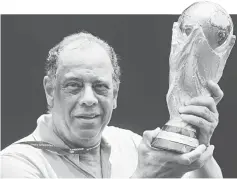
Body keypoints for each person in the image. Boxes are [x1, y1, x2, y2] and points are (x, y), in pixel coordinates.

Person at [1, 32, 223, 178]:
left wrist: (199, 146)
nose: (89, 99)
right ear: (50, 91)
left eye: (100, 87)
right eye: (73, 85)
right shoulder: (16, 165)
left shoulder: (129, 144)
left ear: (115, 94)